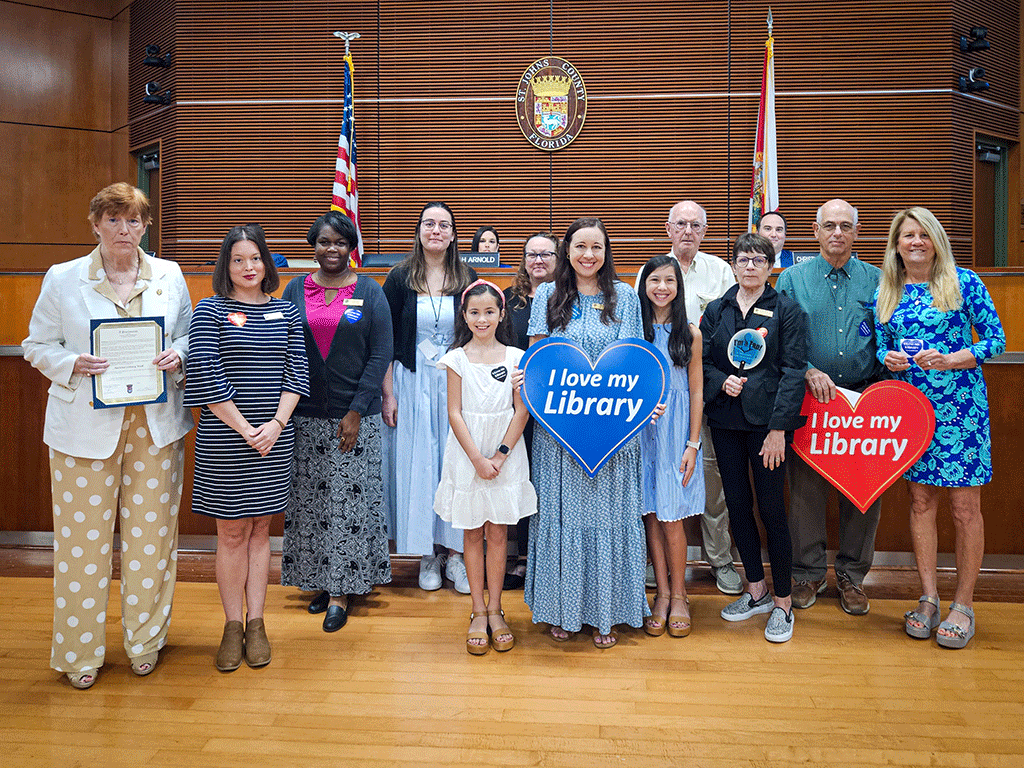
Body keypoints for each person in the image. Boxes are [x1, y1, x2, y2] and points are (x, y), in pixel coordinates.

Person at [22, 182, 193, 689]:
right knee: (81, 546)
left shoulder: (170, 274)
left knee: (153, 541)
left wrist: (178, 355)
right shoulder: (63, 278)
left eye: (134, 221)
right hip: (83, 431)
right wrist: (71, 362)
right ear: (95, 224)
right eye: (114, 220)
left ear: (145, 226)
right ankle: (79, 654)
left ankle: (144, 642)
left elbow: (188, 332)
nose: (125, 230)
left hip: (155, 428)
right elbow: (35, 344)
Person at [874, 207, 1005, 649]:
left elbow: (995, 339)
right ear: (896, 244)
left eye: (923, 235)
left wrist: (953, 358)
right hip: (912, 411)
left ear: (936, 241)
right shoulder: (887, 290)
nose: (915, 242)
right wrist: (887, 359)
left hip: (962, 408)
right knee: (920, 501)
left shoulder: (963, 281)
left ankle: (963, 605)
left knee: (965, 509)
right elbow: (881, 346)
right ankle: (928, 597)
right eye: (907, 235)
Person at [184, 224, 310, 671]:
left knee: (261, 531)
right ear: (226, 265)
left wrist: (276, 424)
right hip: (226, 439)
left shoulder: (287, 312)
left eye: (255, 258)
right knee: (231, 532)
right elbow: (204, 372)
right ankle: (231, 625)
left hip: (274, 439)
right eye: (238, 259)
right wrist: (244, 428)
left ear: (267, 262)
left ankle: (257, 623)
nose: (248, 267)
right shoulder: (209, 310)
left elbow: (298, 371)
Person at [526, 217, 649, 648]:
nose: (588, 255)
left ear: (606, 250)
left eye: (597, 246)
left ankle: (607, 611)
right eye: (580, 246)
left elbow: (633, 363)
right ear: (567, 251)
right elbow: (536, 362)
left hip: (612, 433)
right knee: (562, 519)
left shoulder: (627, 297)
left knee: (608, 519)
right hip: (559, 433)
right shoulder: (547, 294)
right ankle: (562, 608)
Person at [280, 211, 393, 633]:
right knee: (311, 504)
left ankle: (343, 592)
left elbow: (380, 354)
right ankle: (322, 583)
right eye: (325, 241)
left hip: (353, 419)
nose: (333, 249)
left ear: (352, 248)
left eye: (341, 243)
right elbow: (286, 349)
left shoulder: (370, 291)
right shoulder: (294, 289)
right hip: (304, 416)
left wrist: (356, 409)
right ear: (314, 244)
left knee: (346, 505)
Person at [775, 199, 885, 615]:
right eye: (829, 226)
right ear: (816, 232)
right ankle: (807, 573)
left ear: (857, 232)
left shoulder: (878, 280)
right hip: (810, 400)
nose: (837, 233)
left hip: (864, 399)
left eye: (845, 226)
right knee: (804, 490)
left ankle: (853, 577)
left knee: (863, 490)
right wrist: (806, 370)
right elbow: (778, 339)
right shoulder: (792, 279)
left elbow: (886, 337)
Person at [701, 233, 808, 642]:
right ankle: (756, 590)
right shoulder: (717, 310)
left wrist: (779, 429)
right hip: (726, 423)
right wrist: (719, 380)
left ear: (771, 265)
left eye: (758, 260)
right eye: (743, 259)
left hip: (768, 429)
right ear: (732, 265)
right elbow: (704, 363)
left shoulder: (787, 311)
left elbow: (793, 371)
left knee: (771, 510)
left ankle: (783, 601)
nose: (750, 266)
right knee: (738, 508)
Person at [635, 201, 741, 596]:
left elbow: (698, 383)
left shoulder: (718, 275)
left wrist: (692, 440)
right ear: (668, 227)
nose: (688, 230)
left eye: (696, 224)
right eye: (680, 223)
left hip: (696, 407)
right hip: (644, 423)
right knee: (649, 506)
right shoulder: (639, 324)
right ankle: (659, 582)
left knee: (692, 499)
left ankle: (693, 581)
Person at [434, 280, 537, 654]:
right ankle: (477, 609)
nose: (482, 319)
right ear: (464, 315)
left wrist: (500, 455)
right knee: (472, 533)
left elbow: (522, 409)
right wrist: (478, 458)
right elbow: (454, 412)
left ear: (501, 314)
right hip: (467, 455)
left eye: (489, 311)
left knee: (499, 534)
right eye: (474, 312)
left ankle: (496, 609)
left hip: (505, 456)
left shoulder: (516, 357)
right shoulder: (456, 359)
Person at [381, 203, 478, 593]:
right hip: (411, 383)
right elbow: (384, 340)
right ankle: (425, 554)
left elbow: (478, 331)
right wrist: (388, 394)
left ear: (454, 235)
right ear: (419, 230)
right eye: (428, 224)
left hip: (453, 383)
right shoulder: (400, 277)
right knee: (420, 466)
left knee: (453, 465)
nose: (436, 230)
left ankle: (455, 554)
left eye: (444, 225)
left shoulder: (467, 276)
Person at [637, 255, 705, 638]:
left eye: (669, 281)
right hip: (642, 433)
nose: (662, 288)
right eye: (654, 281)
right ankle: (660, 594)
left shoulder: (690, 334)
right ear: (644, 285)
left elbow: (696, 391)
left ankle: (680, 594)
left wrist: (692, 443)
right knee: (650, 513)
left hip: (676, 432)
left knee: (672, 517)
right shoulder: (634, 332)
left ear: (679, 288)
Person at [502, 232, 558, 588]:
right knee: (523, 476)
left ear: (558, 258)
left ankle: (549, 555)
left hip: (560, 405)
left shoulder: (568, 299)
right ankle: (522, 556)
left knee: (549, 479)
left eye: (546, 254)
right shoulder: (509, 301)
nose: (538, 260)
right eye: (531, 254)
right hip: (516, 401)